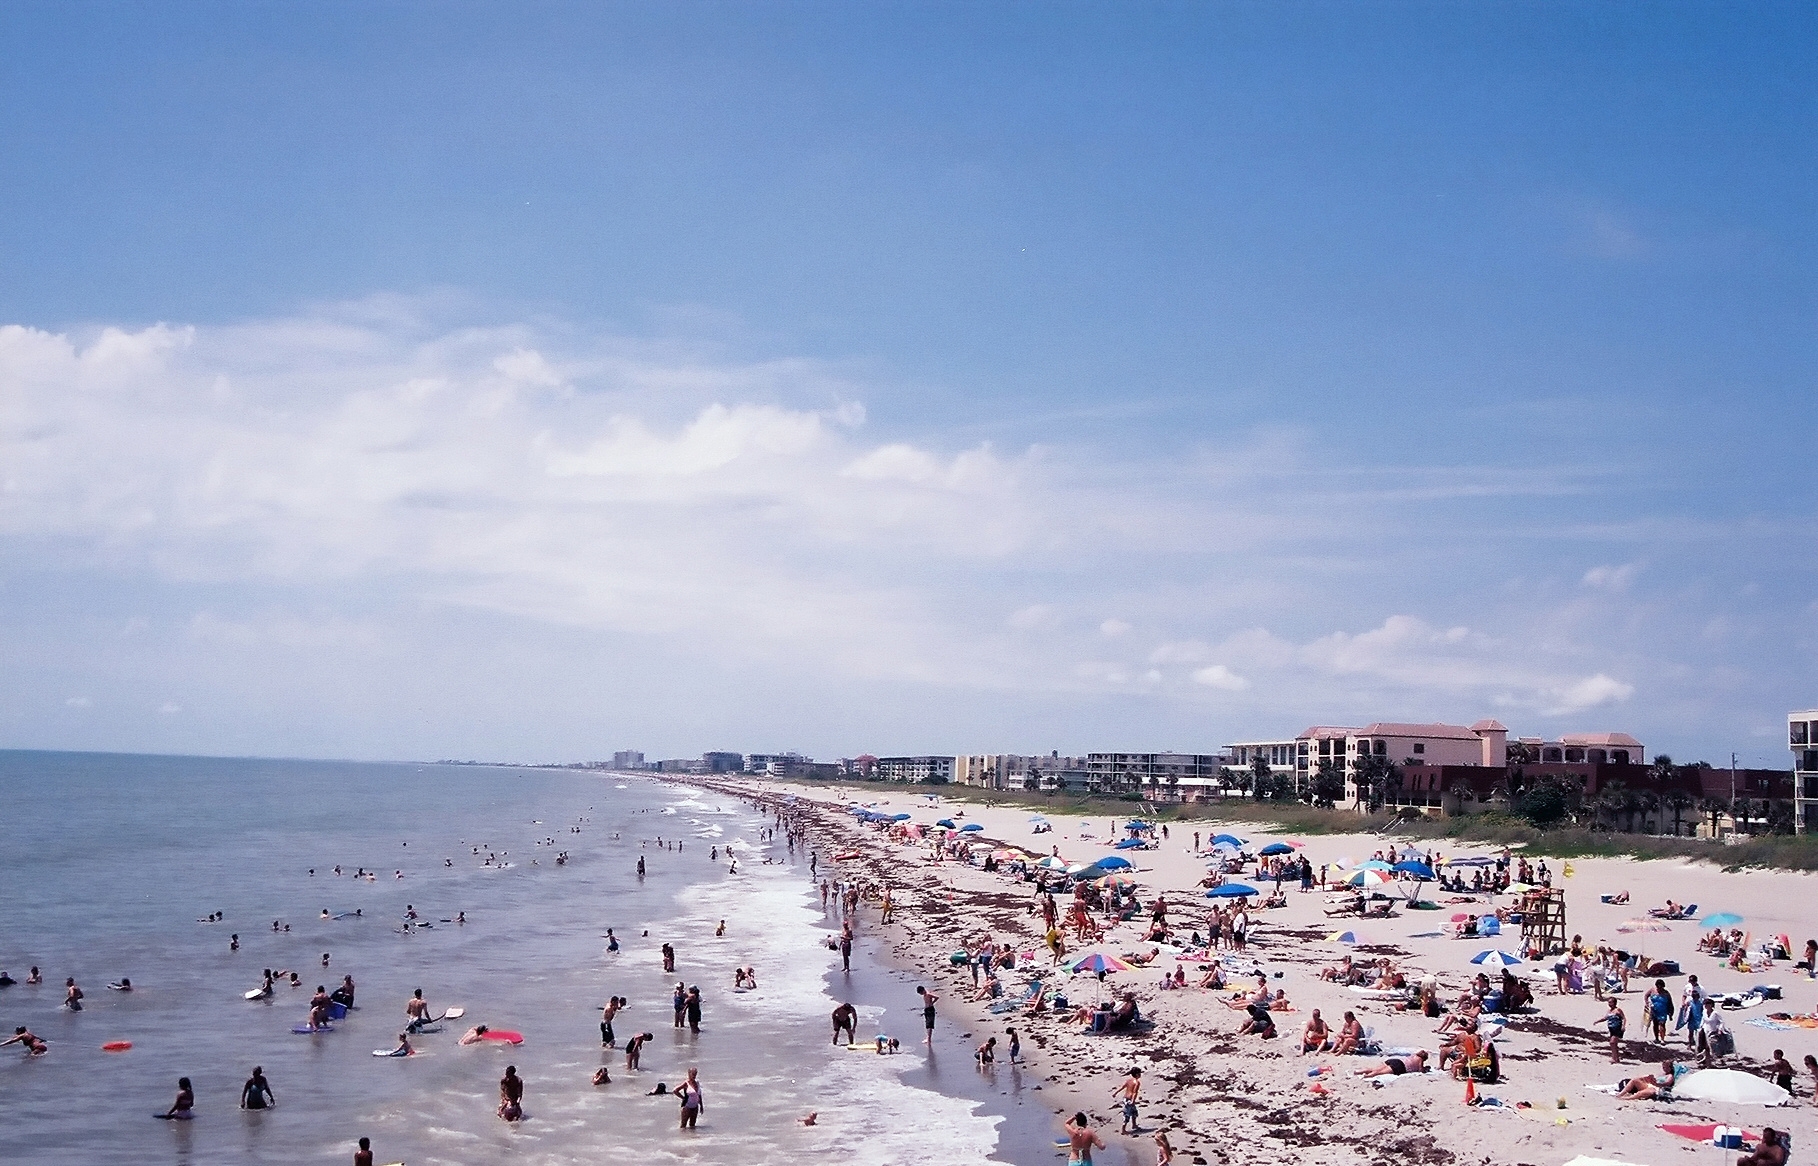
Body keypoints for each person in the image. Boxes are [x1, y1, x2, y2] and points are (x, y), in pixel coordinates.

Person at [1617, 1059, 1681, 1100]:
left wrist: (1656, 1084)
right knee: (1635, 1080)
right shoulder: (1663, 1074)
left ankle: (1627, 1098)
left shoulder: (1670, 1076)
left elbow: (1666, 1084)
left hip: (1659, 1090)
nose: (1664, 1069)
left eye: (1666, 1067)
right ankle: (1621, 1094)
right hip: (1652, 1086)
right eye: (1663, 1067)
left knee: (1648, 1091)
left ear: (1670, 1068)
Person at [1114, 1067, 1143, 1133]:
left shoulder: (1128, 1080)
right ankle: (1123, 1129)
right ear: (1136, 1074)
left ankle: (1134, 1125)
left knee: (1134, 1112)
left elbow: (1122, 1087)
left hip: (1125, 1098)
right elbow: (1134, 1092)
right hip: (1130, 1099)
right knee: (1127, 1114)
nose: (1140, 1074)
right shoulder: (1137, 1082)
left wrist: (1115, 1093)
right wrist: (1133, 1101)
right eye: (1139, 1073)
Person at [1358, 1050, 1428, 1077]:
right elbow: (1420, 1069)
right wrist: (1425, 1069)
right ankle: (1365, 1076)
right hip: (1400, 1066)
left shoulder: (1413, 1055)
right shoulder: (1420, 1059)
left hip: (1395, 1060)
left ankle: (1357, 1071)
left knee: (1373, 1069)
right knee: (1378, 1072)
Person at [1603, 998, 1626, 1063]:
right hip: (1611, 1029)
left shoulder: (1618, 1010)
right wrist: (1597, 1021)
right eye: (1608, 1002)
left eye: (1610, 1002)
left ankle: (1614, 1058)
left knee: (1612, 1042)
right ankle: (1617, 1058)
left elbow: (1624, 1018)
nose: (1609, 1004)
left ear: (1614, 1003)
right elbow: (1605, 1018)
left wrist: (1623, 1026)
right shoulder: (1609, 1011)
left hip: (1617, 1028)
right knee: (1614, 1044)